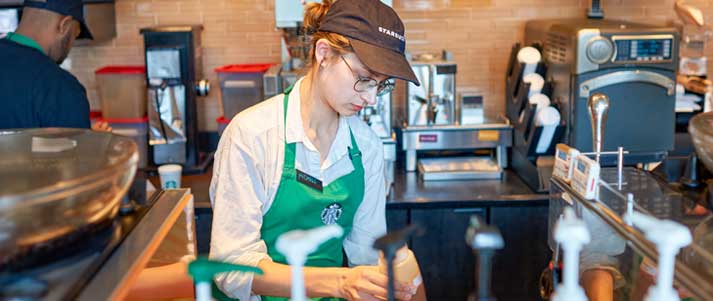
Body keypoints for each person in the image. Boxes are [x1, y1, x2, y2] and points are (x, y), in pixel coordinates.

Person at [209, 0, 423, 300]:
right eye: (364, 79)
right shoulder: (252, 135)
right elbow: (231, 265)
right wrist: (339, 282)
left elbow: (366, 253)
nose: (372, 98)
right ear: (324, 53)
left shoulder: (367, 148)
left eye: (382, 85)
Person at [0, 0, 95, 130]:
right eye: (75, 35)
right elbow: (77, 149)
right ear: (64, 25)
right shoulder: (61, 87)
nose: (71, 45)